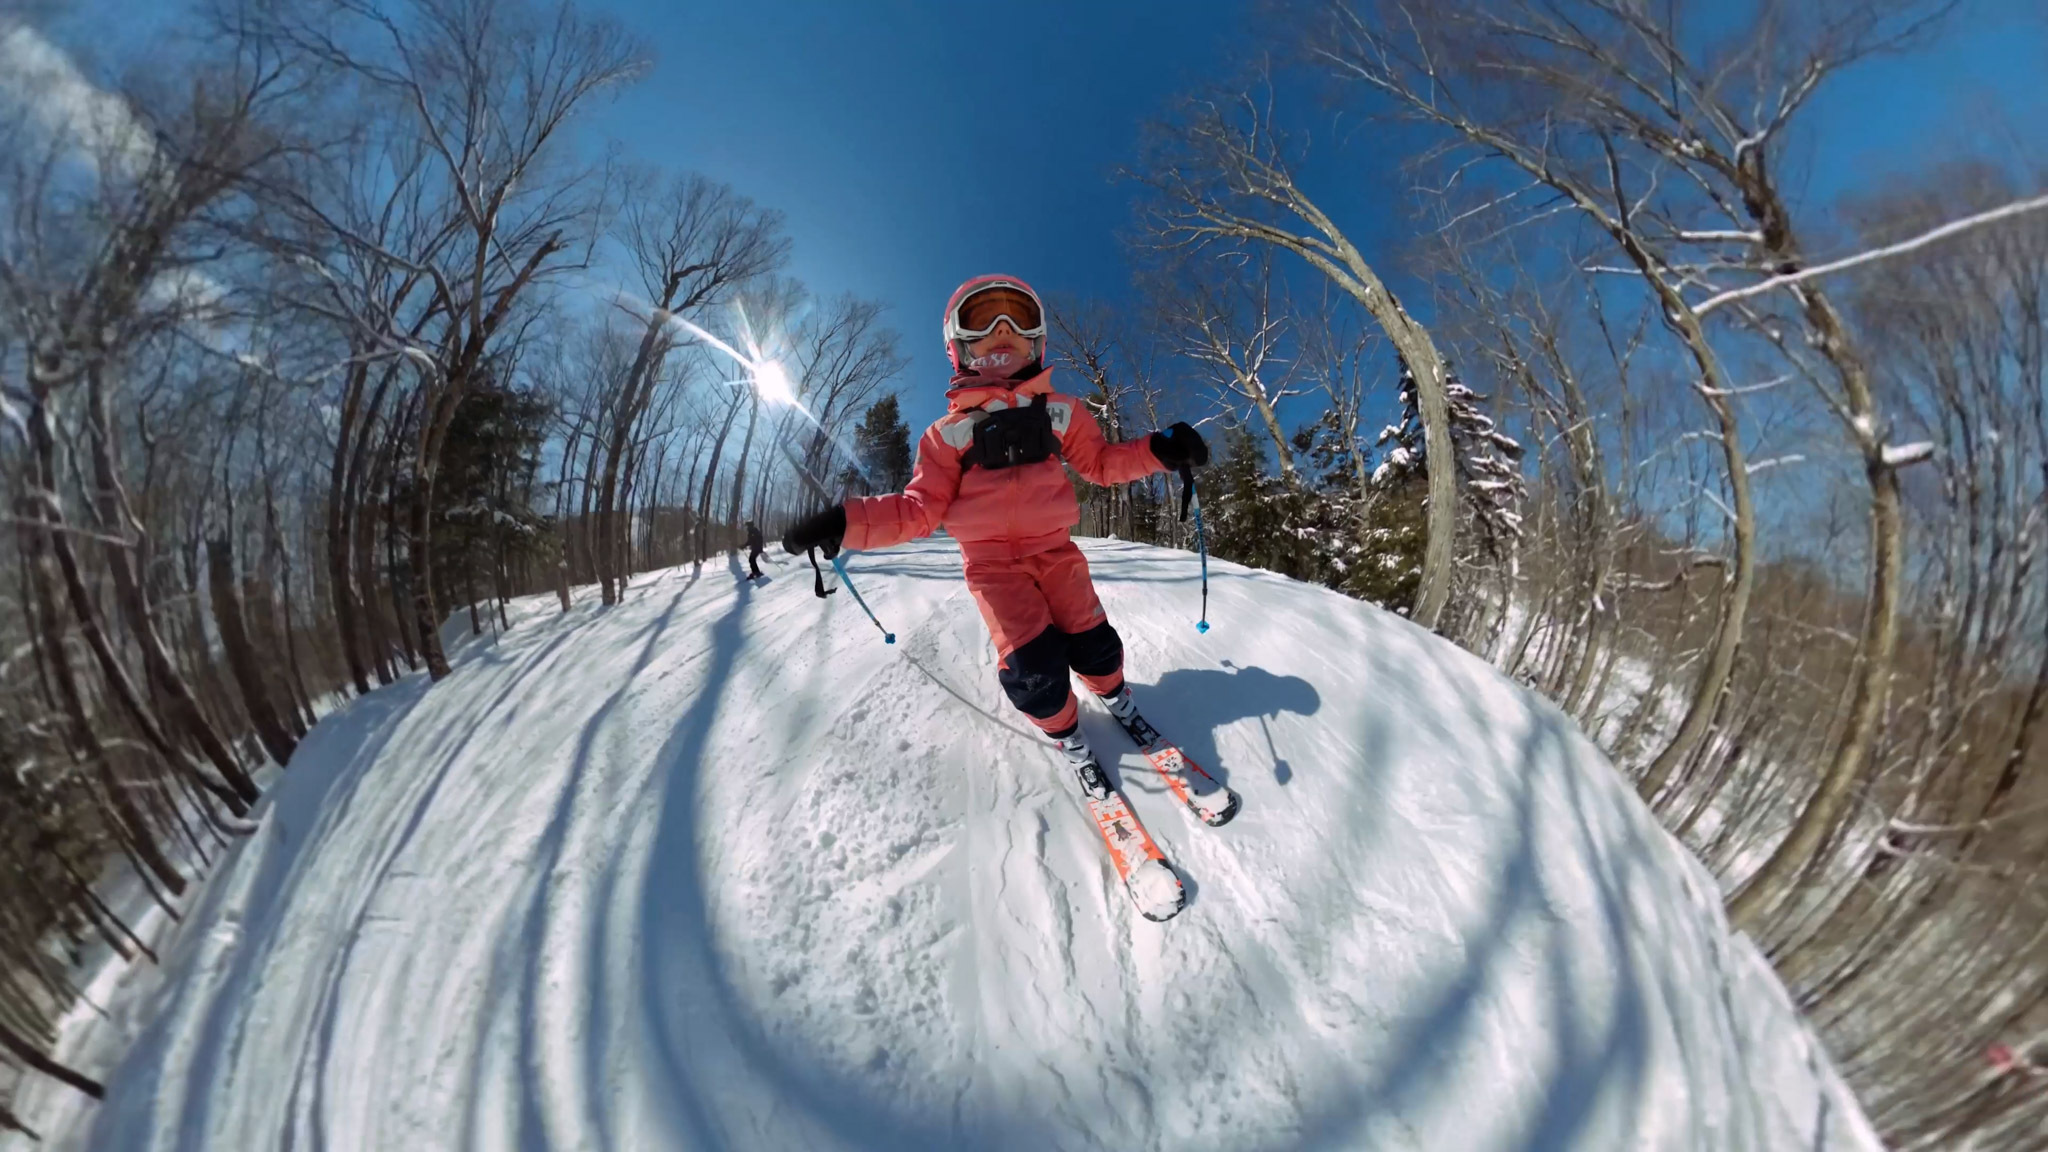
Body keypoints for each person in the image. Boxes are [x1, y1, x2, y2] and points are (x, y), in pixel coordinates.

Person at [783, 275, 1207, 795]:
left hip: (1057, 553)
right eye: (984, 323)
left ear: (1037, 341)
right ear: (959, 346)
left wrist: (1158, 451)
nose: (1002, 331)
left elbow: (1100, 463)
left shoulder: (1061, 412)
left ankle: (1116, 697)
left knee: (1093, 640)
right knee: (1034, 671)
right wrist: (844, 522)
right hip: (993, 570)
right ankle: (1067, 733)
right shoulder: (945, 435)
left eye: (1017, 321)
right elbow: (918, 510)